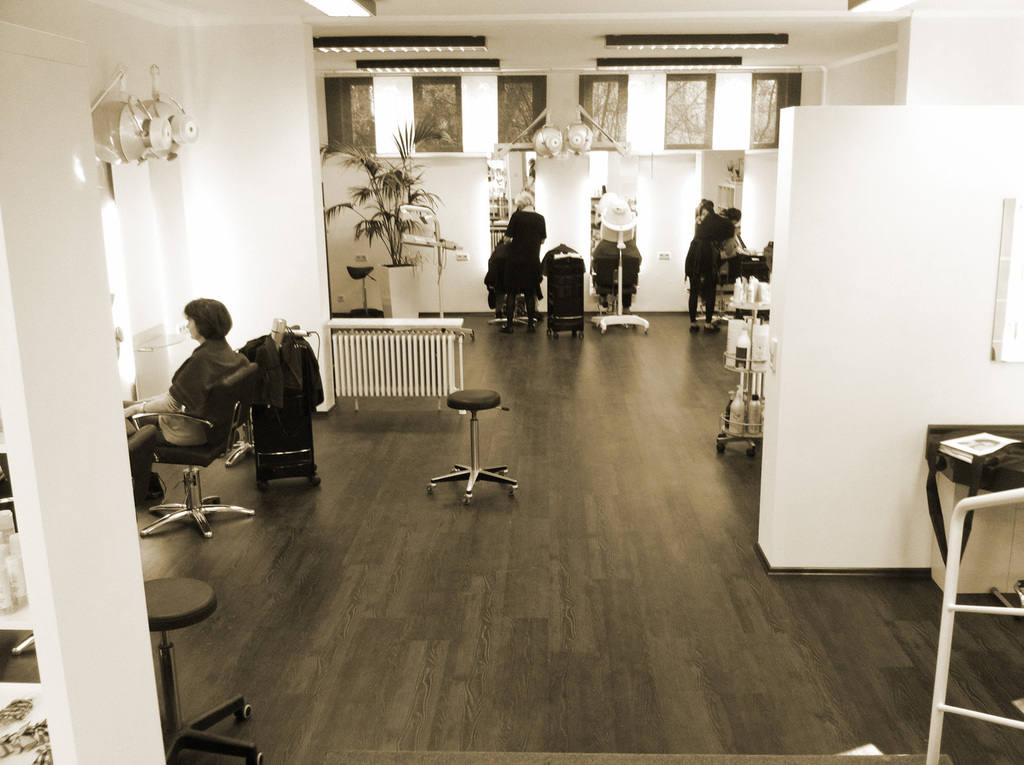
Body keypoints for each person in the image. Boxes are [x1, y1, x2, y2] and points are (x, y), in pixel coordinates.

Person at [124, 298, 248, 445]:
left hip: (190, 432)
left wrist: (137, 409)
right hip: (217, 429)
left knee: (123, 416)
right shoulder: (225, 352)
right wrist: (142, 403)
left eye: (189, 320)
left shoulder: (202, 360)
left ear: (202, 324)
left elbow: (170, 405)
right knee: (127, 405)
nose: (187, 325)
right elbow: (175, 395)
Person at [684, 207, 738, 333]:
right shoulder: (730, 225)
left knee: (694, 290)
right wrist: (733, 251)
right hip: (708, 253)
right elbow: (729, 250)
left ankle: (693, 323)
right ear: (735, 220)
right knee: (710, 289)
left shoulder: (711, 217)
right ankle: (708, 324)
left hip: (693, 250)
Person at [499, 191, 546, 333]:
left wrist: (514, 240)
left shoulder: (517, 217)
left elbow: (507, 239)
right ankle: (531, 325)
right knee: (529, 293)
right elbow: (542, 241)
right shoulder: (540, 218)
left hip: (515, 260)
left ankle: (509, 326)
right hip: (532, 261)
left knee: (511, 292)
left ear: (522, 204)